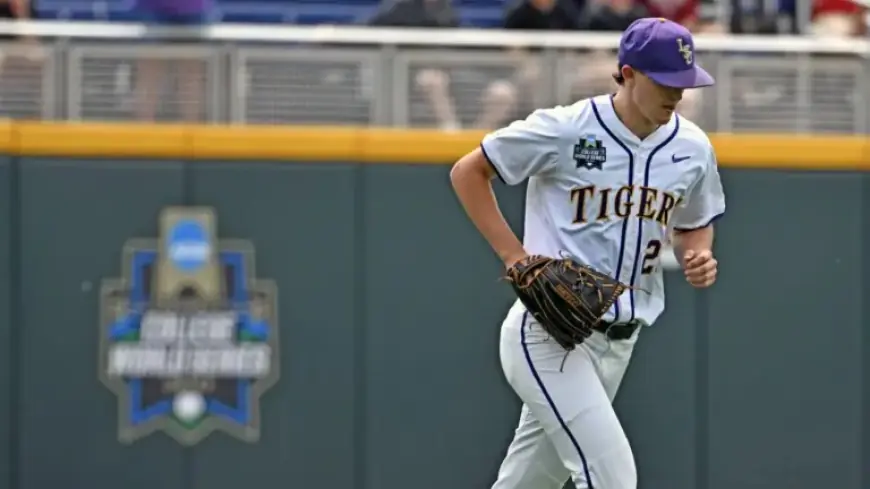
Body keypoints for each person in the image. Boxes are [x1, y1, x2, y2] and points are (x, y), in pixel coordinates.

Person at [449, 17, 726, 489]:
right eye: (664, 82)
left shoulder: (692, 147)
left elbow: (695, 222)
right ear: (628, 73)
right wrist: (514, 257)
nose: (676, 94)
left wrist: (698, 253)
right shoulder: (566, 129)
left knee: (530, 482)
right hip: (549, 334)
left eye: (684, 83)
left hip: (621, 340)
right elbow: (468, 171)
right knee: (611, 476)